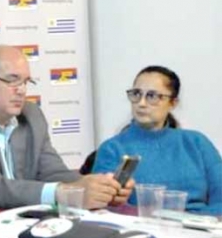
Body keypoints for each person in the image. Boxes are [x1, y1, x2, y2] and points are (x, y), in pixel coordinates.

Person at [0, 45, 132, 210]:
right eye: (13, 81)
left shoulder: (31, 115)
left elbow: (53, 172)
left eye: (26, 82)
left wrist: (98, 187)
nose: (22, 91)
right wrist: (63, 193)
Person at [92, 66, 221, 215]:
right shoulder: (113, 149)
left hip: (203, 225)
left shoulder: (196, 143)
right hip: (142, 224)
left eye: (152, 96)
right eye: (136, 94)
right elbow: (106, 207)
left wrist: (203, 222)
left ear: (173, 103)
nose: (141, 103)